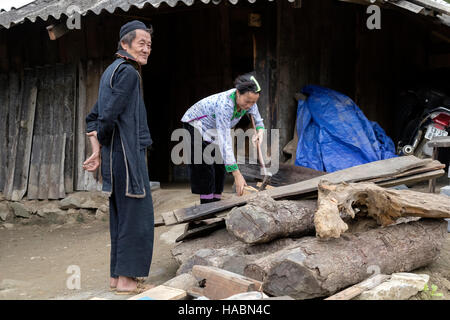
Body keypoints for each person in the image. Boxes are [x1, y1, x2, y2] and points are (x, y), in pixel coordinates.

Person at [83, 20, 154, 295]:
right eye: (141, 44)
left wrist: (97, 150)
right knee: (138, 216)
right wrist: (101, 142)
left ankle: (116, 278)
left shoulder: (110, 73)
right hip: (127, 156)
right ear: (124, 44)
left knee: (122, 215)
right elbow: (108, 116)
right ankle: (127, 281)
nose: (147, 49)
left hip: (115, 156)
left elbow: (93, 118)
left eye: (149, 45)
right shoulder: (128, 74)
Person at [181, 73, 265, 203]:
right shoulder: (225, 105)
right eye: (247, 101)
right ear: (238, 93)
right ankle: (207, 207)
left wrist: (260, 132)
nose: (250, 105)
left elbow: (258, 121)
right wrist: (237, 174)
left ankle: (216, 204)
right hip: (195, 125)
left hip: (214, 129)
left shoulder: (251, 101)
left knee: (220, 167)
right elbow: (225, 140)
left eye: (253, 102)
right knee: (205, 166)